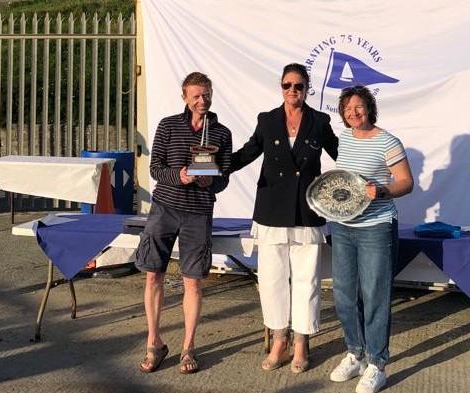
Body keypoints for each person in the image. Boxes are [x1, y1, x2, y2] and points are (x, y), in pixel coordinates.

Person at [230, 63, 338, 373]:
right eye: (288, 85)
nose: (293, 91)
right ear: (281, 87)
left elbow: (341, 153)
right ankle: (279, 339)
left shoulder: (320, 121)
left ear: (307, 89)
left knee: (307, 280)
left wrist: (365, 168)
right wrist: (213, 168)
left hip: (307, 209)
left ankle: (302, 342)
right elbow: (247, 153)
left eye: (299, 86)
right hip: (272, 208)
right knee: (272, 279)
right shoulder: (267, 120)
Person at [135, 72, 232, 374]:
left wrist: (208, 182)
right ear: (185, 97)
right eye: (196, 96)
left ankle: (188, 346)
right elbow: (155, 168)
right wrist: (178, 175)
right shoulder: (168, 125)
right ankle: (155, 342)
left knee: (193, 281)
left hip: (198, 213)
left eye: (206, 94)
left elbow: (223, 180)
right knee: (153, 276)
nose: (202, 101)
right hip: (164, 209)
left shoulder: (221, 133)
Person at [329, 85, 413, 393]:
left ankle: (378, 363)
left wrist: (384, 191)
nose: (353, 112)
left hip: (376, 227)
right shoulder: (345, 139)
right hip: (343, 225)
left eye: (359, 106)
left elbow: (406, 182)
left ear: (369, 108)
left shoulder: (388, 141)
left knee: (375, 295)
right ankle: (356, 353)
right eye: (347, 108)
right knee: (344, 295)